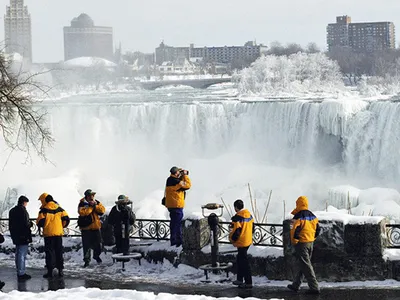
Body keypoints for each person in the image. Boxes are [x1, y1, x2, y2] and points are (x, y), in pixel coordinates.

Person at [287, 196, 320, 295]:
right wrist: (313, 238)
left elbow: (294, 231)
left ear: (298, 204)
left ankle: (314, 287)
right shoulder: (313, 216)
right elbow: (318, 229)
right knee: (304, 264)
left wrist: (294, 241)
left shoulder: (297, 216)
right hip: (310, 242)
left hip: (302, 243)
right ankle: (296, 285)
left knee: (306, 265)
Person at [36, 193, 70, 278]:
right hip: (58, 234)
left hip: (48, 235)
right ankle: (60, 270)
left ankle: (50, 271)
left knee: (50, 253)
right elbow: (66, 219)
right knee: (59, 251)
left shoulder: (44, 210)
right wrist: (61, 226)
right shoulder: (60, 208)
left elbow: (40, 222)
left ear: (44, 200)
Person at [229, 199, 254, 289]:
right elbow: (253, 228)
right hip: (247, 241)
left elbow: (237, 232)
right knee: (240, 259)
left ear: (235, 208)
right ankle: (239, 279)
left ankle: (248, 282)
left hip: (241, 242)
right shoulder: (249, 215)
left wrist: (232, 240)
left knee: (244, 262)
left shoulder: (237, 218)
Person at [78, 189, 106, 268]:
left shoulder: (96, 202)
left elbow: (102, 210)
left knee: (99, 244)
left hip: (96, 227)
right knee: (86, 246)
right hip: (86, 228)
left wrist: (95, 206)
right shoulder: (82, 203)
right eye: (90, 195)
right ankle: (87, 261)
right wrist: (90, 207)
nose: (92, 197)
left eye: (93, 195)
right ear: (86, 196)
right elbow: (83, 213)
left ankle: (96, 256)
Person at [164, 166, 191, 247]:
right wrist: (185, 175)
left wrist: (181, 175)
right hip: (176, 205)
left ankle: (174, 240)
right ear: (176, 173)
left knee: (174, 223)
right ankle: (176, 241)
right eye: (178, 172)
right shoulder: (176, 181)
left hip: (171, 205)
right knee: (176, 223)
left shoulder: (170, 179)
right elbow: (188, 185)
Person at [9, 195, 33, 281]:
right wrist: (30, 224)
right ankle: (21, 273)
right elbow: (25, 224)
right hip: (23, 235)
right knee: (22, 254)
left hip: (15, 235)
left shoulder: (12, 211)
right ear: (24, 202)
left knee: (18, 253)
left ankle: (19, 271)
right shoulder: (23, 211)